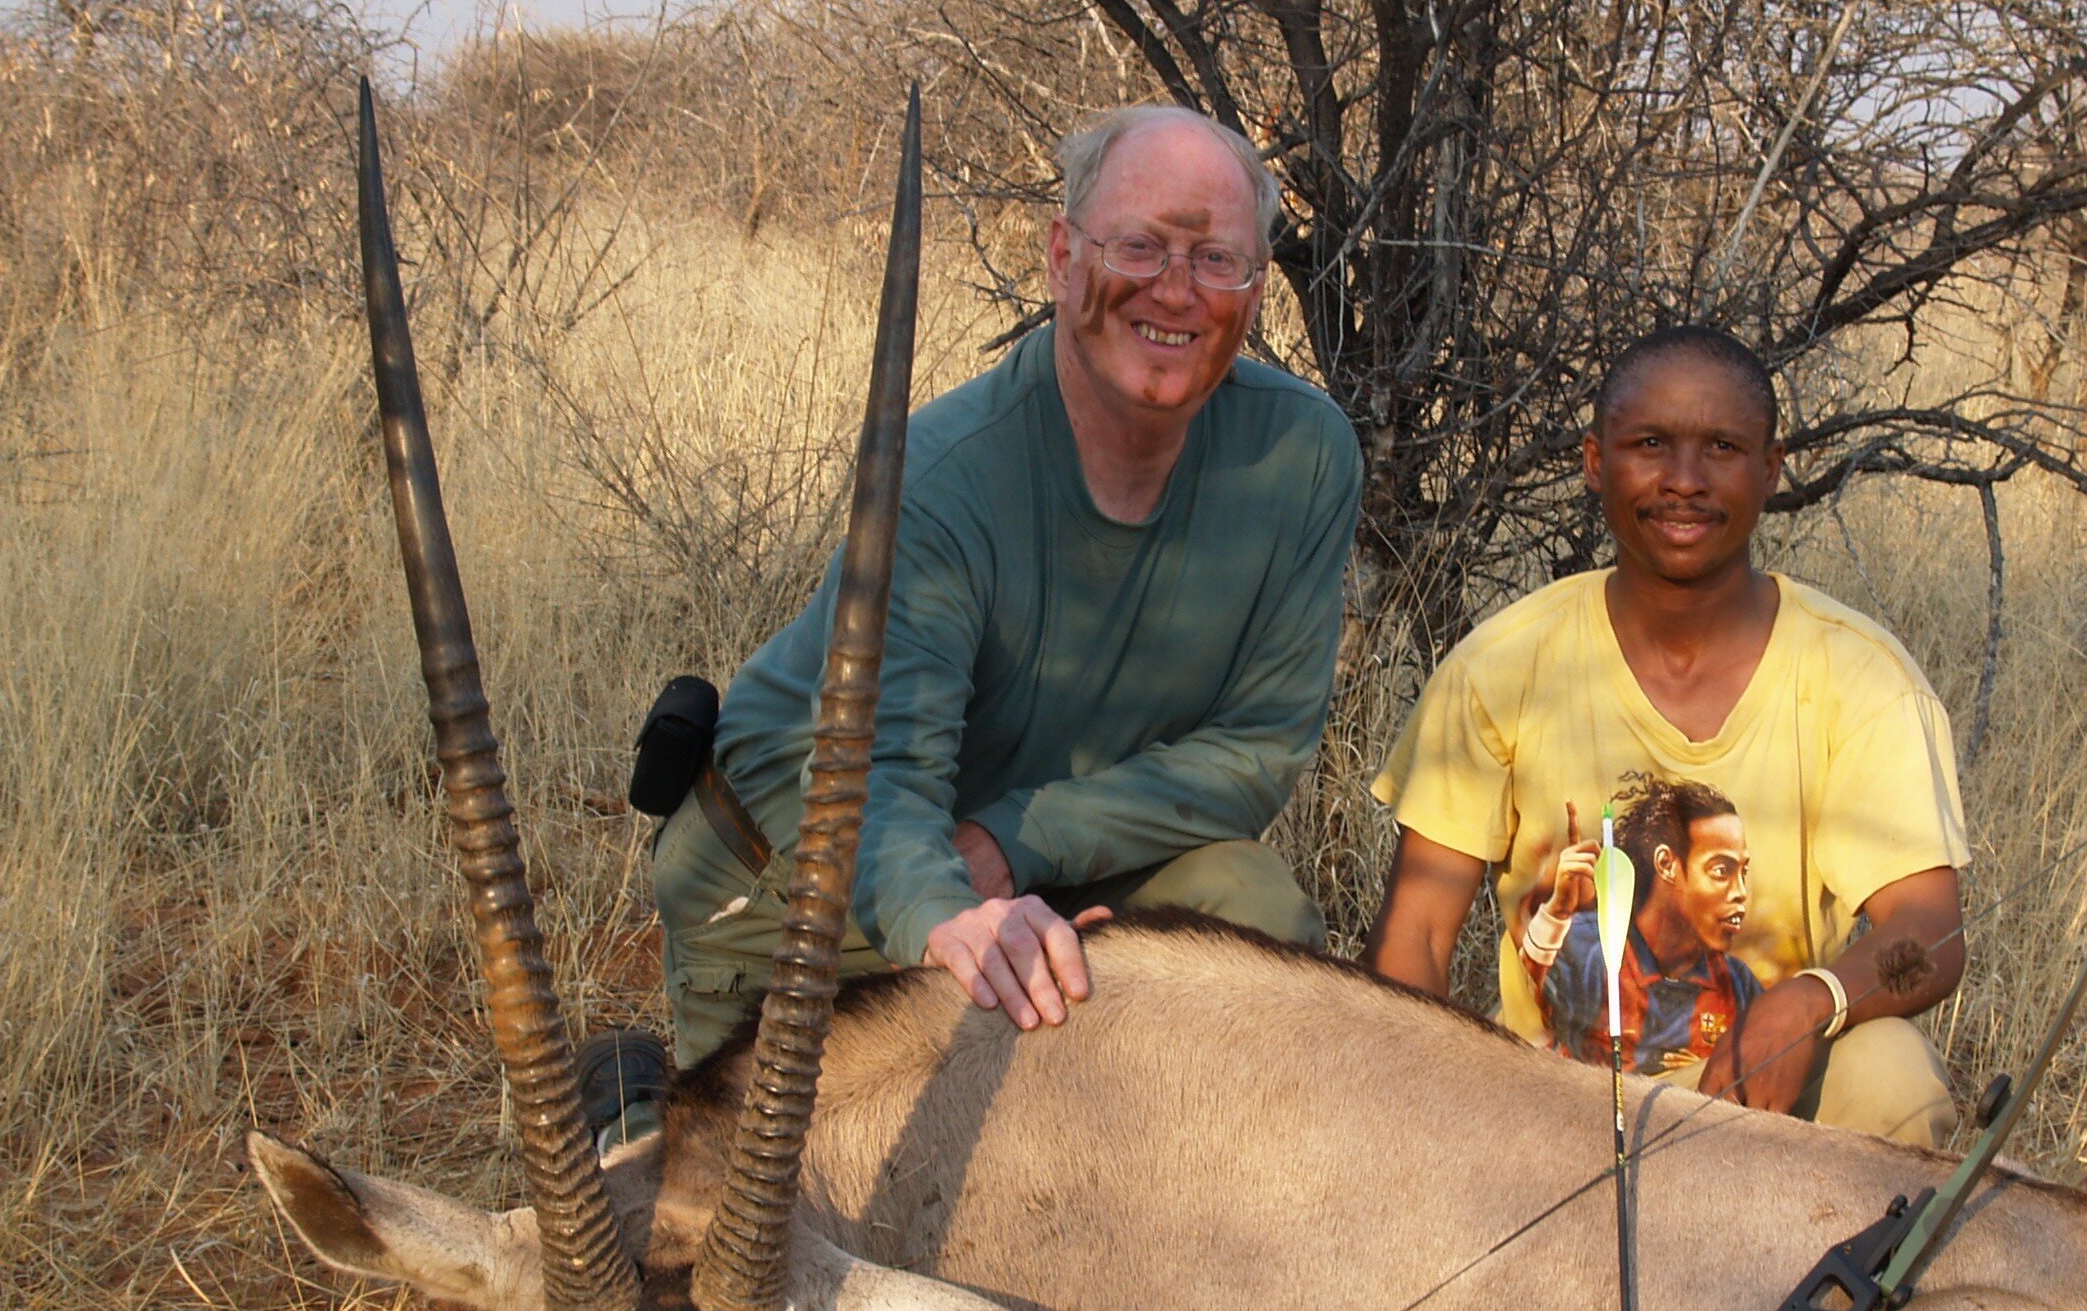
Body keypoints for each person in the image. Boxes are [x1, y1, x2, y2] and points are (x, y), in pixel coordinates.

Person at [647, 104, 1361, 1068]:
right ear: (1063, 257)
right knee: (779, 1198)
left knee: (1255, 909)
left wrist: (1017, 842)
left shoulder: (1306, 453)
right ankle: (630, 1103)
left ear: (1257, 287)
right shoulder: (941, 473)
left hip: (1027, 865)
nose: (1178, 291)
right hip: (802, 877)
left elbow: (1257, 750)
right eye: (1140, 248)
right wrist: (952, 918)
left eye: (1215, 260)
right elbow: (880, 782)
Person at [1365, 322, 1970, 1144]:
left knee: (1894, 1076)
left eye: (1722, 447)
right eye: (1650, 443)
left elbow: (1929, 925)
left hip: (1764, 1101)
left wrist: (1809, 1002)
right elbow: (1419, 934)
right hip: (1548, 1114)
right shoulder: (1500, 668)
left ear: (1770, 470)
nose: (1684, 481)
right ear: (1594, 462)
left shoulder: (1859, 676)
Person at [1527, 775, 1762, 1084]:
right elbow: (1533, 994)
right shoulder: (1587, 945)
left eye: (1743, 872)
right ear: (1666, 864)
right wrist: (1557, 910)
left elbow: (1765, 1071)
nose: (1740, 892)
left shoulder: (1737, 984)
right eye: (1722, 870)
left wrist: (1708, 1072)